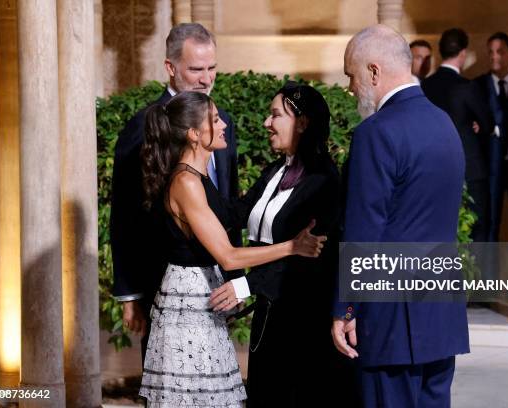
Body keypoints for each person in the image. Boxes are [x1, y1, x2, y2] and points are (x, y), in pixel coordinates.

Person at [137, 91, 326, 407]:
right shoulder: (186, 182)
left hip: (203, 296)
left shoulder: (196, 178)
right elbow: (228, 254)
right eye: (213, 119)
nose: (223, 124)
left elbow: (233, 213)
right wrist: (292, 246)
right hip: (191, 299)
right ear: (194, 134)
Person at [331, 25, 470, 407]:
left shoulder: (376, 133)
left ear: (373, 72)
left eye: (351, 75)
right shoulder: (445, 125)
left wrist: (346, 309)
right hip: (442, 316)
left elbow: (364, 231)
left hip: (390, 322)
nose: (350, 88)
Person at [209, 82, 357, 407]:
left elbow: (309, 259)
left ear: (302, 122)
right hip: (269, 314)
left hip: (302, 323)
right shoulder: (276, 170)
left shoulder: (324, 182)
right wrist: (191, 173)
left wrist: (246, 285)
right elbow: (233, 213)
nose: (267, 122)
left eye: (275, 115)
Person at [109, 23, 241, 359]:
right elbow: (124, 215)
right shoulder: (143, 127)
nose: (206, 78)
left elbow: (228, 204)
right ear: (170, 68)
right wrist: (130, 295)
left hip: (217, 285)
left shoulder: (223, 121)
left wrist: (237, 280)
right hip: (162, 286)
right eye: (196, 69)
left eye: (212, 68)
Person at [422, 28, 495, 243]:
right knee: (477, 230)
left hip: (433, 170)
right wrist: (478, 126)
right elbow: (488, 123)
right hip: (469, 170)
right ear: (463, 53)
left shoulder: (425, 86)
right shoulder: (466, 86)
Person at [474, 32, 508, 241]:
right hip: (489, 166)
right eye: (491, 52)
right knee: (490, 223)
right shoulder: (476, 85)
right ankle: (488, 273)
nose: (494, 57)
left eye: (500, 52)